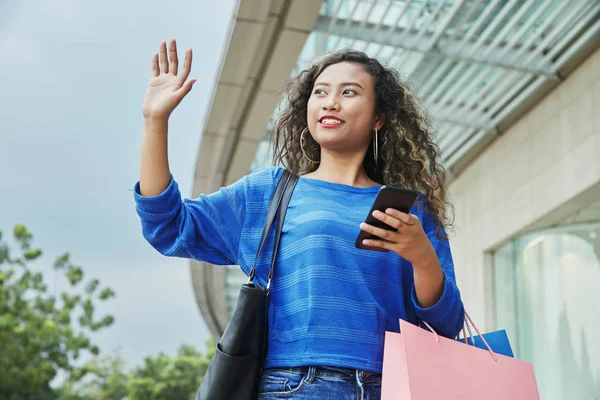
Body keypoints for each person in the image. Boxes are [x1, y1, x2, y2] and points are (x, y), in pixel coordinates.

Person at [134, 39, 464, 400]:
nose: (330, 102)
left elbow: (446, 325)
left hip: (389, 387)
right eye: (320, 92)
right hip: (292, 386)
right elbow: (170, 227)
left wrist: (422, 257)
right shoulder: (270, 192)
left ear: (379, 118)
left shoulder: (411, 212)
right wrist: (155, 122)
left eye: (349, 92)